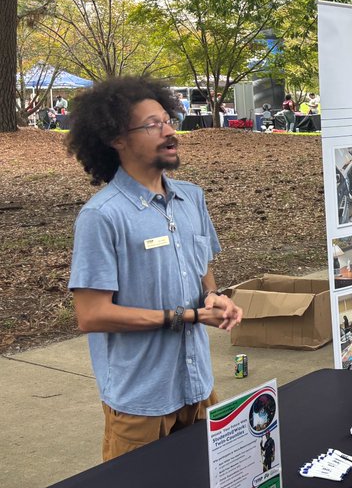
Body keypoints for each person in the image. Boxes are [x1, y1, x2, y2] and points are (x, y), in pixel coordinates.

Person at [65, 76, 243, 460]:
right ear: (116, 139)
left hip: (198, 389)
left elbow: (201, 267)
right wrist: (188, 316)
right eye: (152, 125)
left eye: (167, 120)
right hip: (140, 402)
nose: (169, 131)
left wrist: (213, 297)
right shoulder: (102, 216)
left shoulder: (191, 197)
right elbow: (91, 315)